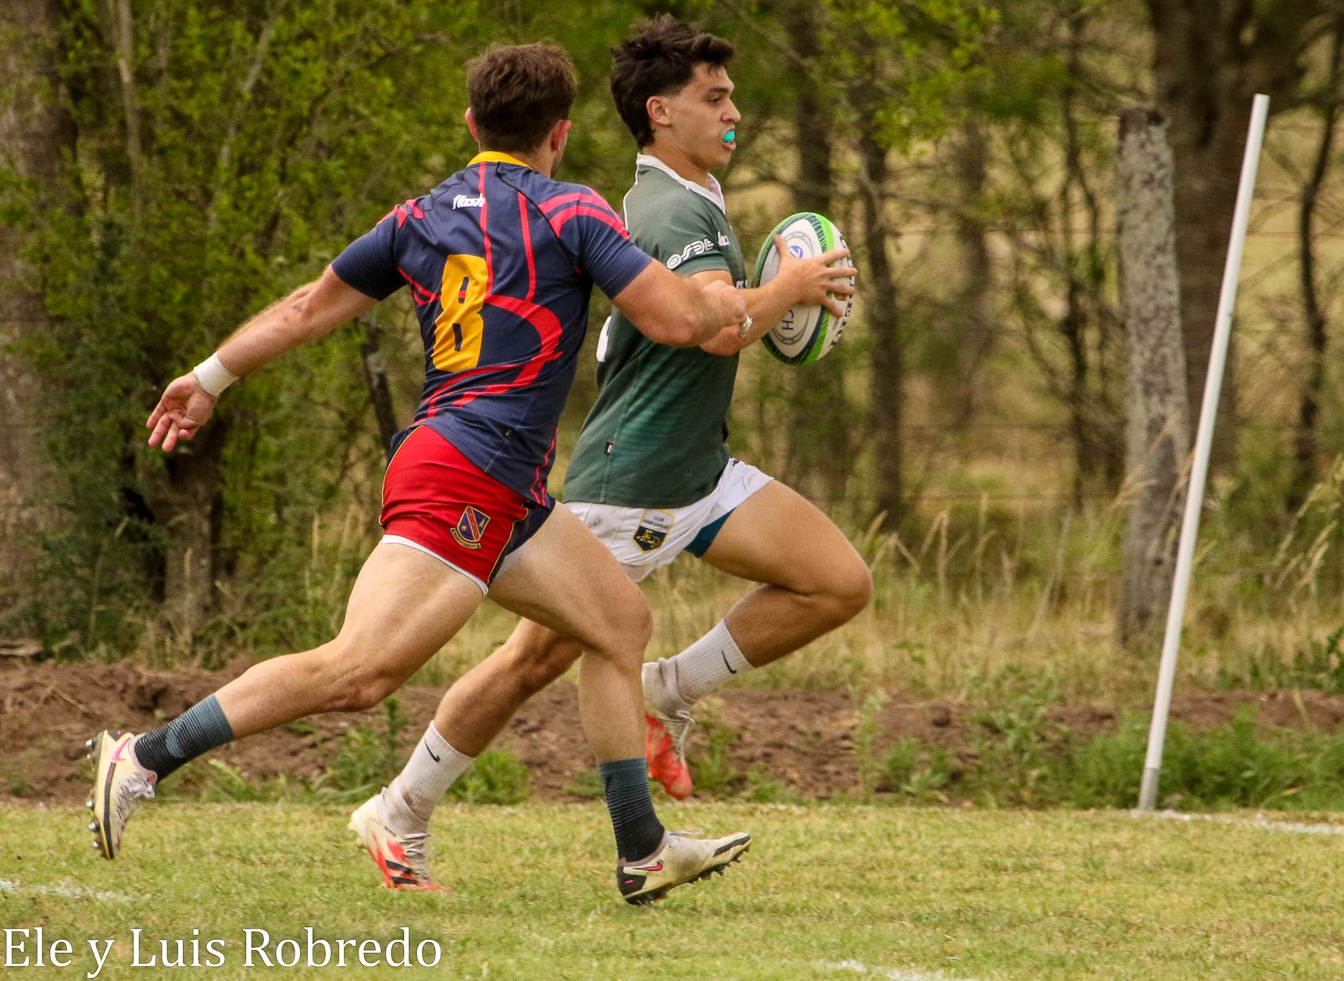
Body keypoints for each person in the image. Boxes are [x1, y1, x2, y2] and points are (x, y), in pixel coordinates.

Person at [86, 42, 753, 906]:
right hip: (466, 471)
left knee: (619, 623)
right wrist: (756, 298)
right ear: (561, 132)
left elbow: (305, 308)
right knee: (359, 672)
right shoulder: (573, 210)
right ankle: (141, 756)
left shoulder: (419, 216)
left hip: (502, 481)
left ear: (472, 125)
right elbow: (672, 321)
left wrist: (209, 377)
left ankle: (641, 848)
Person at [353, 15, 871, 889]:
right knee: (530, 661)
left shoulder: (688, 195)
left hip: (698, 469)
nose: (733, 111)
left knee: (837, 580)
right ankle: (399, 807)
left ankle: (668, 691)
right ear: (661, 112)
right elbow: (713, 327)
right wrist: (791, 289)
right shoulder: (668, 207)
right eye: (716, 98)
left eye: (733, 95)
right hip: (631, 481)